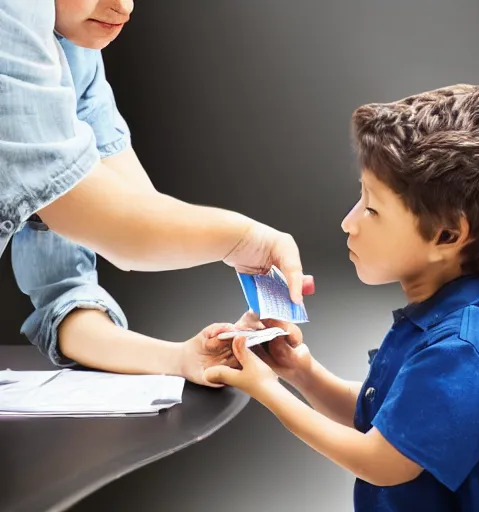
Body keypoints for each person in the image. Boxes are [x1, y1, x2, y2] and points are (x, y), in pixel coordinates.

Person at [205, 84, 479, 510]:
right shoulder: (437, 319)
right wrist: (302, 372)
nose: (349, 222)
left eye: (372, 209)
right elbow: (388, 417)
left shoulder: (459, 352)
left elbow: (380, 460)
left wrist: (268, 390)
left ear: (447, 235)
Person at [1, 0, 314, 386]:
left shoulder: (75, 54)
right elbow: (118, 226)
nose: (123, 5)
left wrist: (182, 358)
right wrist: (246, 241)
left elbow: (79, 275)